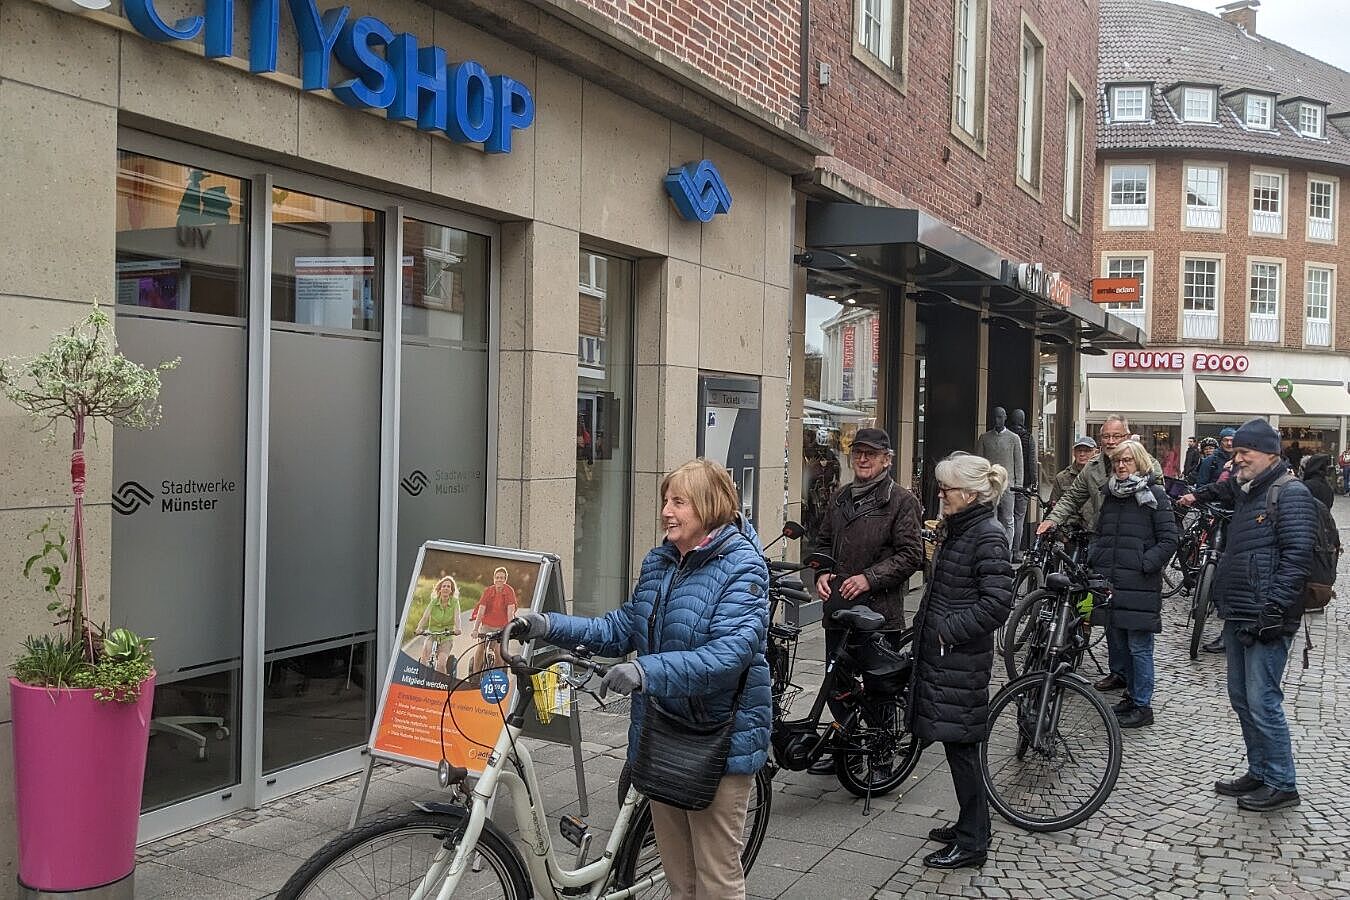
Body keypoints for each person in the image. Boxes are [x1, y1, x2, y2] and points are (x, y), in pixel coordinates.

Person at [515, 459, 769, 899]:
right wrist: (545, 625)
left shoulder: (743, 567)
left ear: (708, 507)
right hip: (662, 733)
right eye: (665, 501)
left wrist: (644, 671)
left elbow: (729, 656)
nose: (667, 511)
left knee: (716, 877)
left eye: (679, 502)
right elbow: (621, 628)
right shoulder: (662, 561)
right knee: (679, 876)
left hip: (716, 740)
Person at [1178, 418, 1316, 812]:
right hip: (1241, 610)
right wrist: (1195, 495)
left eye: (1244, 453)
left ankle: (1282, 782)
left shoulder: (1290, 494)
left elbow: (1297, 557)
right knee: (1241, 697)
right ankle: (1260, 770)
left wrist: (1274, 609)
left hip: (1269, 616)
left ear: (1270, 454)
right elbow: (1223, 487)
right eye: (1234, 452)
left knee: (1263, 699)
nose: (1236, 459)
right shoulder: (1248, 488)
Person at [909, 453, 1013, 870]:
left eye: (947, 488)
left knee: (963, 748)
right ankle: (971, 824)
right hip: (948, 659)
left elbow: (997, 605)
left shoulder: (986, 535)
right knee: (958, 747)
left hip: (960, 659)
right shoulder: (962, 529)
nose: (941, 494)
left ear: (969, 494)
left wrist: (944, 631)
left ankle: (973, 842)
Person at [810, 427, 923, 773]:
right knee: (837, 684)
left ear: (886, 460)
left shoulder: (901, 501)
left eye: (870, 454)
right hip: (841, 610)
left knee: (878, 688)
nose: (862, 459)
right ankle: (849, 747)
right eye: (858, 452)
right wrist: (820, 572)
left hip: (878, 611)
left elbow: (911, 555)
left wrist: (869, 578)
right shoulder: (841, 496)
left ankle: (881, 754)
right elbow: (823, 541)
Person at [1037, 414, 1161, 693]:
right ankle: (1115, 669)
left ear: (1128, 436)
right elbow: (1072, 497)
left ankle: (1139, 693)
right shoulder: (1092, 468)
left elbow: (1163, 520)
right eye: (1106, 436)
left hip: (1135, 554)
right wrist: (1053, 519)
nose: (1111, 442)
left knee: (1133, 624)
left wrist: (1149, 559)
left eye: (1116, 436)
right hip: (1101, 544)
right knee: (1104, 612)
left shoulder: (1146, 466)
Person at [1087, 441, 1178, 728]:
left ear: (1139, 462)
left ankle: (1142, 706)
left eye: (1127, 460)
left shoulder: (1155, 495)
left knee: (1139, 646)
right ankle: (1130, 695)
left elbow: (1169, 540)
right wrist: (1097, 558)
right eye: (1117, 462)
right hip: (1113, 582)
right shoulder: (1111, 495)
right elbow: (1102, 533)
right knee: (1121, 643)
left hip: (1138, 583)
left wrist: (1144, 564)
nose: (1121, 466)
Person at [975, 407, 1022, 549]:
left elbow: (1019, 464)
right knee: (990, 517)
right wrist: (980, 483)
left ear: (1005, 417)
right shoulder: (984, 438)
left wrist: (1018, 485)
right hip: (989, 485)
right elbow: (980, 462)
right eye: (995, 417)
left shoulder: (1014, 438)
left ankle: (1007, 549)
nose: (997, 420)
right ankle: (992, 547)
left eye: (1000, 417)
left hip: (1008, 486)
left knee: (1008, 519)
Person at [469, 567, 520, 675]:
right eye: (497, 578)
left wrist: (510, 629)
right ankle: (475, 675)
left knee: (498, 651)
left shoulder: (509, 591)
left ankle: (498, 675)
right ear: (494, 579)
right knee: (481, 646)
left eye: (502, 578)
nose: (499, 580)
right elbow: (481, 612)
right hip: (487, 624)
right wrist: (475, 630)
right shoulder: (488, 591)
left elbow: (510, 613)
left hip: (502, 626)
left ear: (505, 579)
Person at [413, 576, 463, 675]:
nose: (445, 588)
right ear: (439, 589)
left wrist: (458, 628)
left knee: (441, 663)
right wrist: (419, 628)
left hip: (446, 635)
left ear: (451, 590)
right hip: (432, 633)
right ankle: (420, 681)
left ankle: (441, 685)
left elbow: (457, 617)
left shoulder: (454, 602)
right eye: (443, 586)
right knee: (424, 658)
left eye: (448, 586)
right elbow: (425, 617)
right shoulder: (434, 601)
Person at [1049, 436, 1097, 530]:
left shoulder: (1100, 476)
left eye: (1087, 451)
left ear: (1095, 453)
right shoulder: (1062, 477)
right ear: (1074, 453)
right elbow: (1054, 505)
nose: (1082, 454)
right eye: (1079, 450)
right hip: (1069, 530)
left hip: (1094, 529)